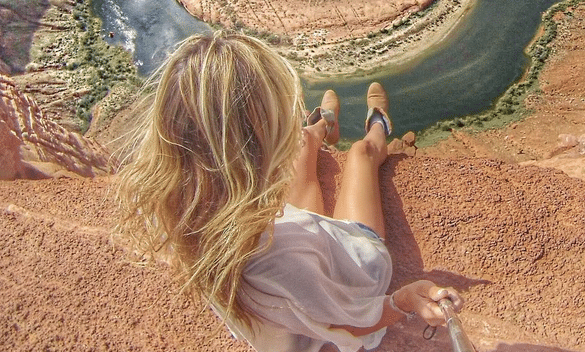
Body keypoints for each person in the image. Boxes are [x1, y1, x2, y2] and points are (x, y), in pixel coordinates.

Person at [116, 31, 463, 352]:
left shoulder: (175, 207)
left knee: (302, 143)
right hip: (345, 265)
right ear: (253, 151)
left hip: (291, 240)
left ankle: (322, 126)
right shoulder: (284, 267)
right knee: (360, 155)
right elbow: (347, 323)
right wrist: (403, 301)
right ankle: (378, 123)